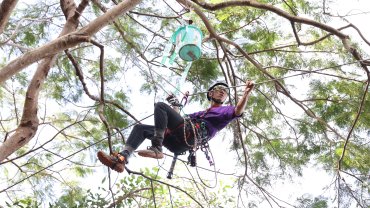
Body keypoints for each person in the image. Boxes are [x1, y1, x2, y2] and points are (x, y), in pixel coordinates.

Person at [97, 80, 255, 173]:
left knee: (160, 106)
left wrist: (246, 93)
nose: (222, 92)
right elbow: (175, 119)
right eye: (218, 90)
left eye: (225, 92)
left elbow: (238, 111)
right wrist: (176, 105)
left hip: (191, 136)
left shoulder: (225, 110)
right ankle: (121, 159)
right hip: (178, 140)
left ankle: (157, 148)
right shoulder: (201, 112)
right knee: (141, 129)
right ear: (210, 94)